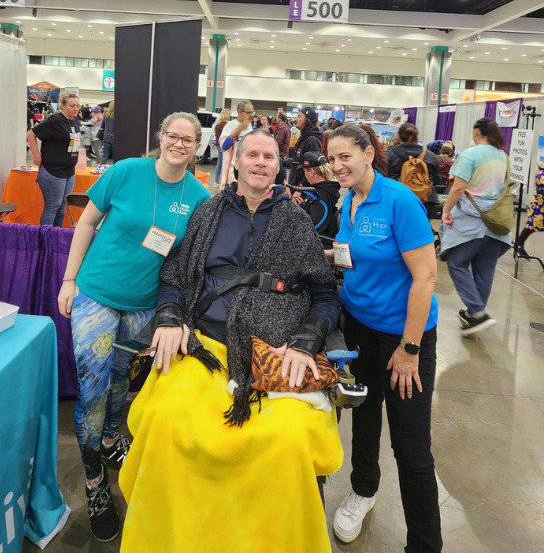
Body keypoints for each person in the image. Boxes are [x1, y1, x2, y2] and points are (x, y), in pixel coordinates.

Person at [119, 129, 343, 553]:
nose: (261, 162)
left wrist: (305, 342)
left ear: (279, 166)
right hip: (206, 346)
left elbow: (325, 293)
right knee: (167, 420)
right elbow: (174, 276)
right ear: (236, 162)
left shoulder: (296, 220)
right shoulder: (208, 213)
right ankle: (169, 537)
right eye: (253, 155)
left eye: (270, 156)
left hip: (272, 352)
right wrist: (169, 317)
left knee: (289, 439)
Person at [57, 112, 210, 542]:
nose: (179, 144)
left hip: (144, 307)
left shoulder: (198, 197)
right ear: (160, 138)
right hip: (97, 295)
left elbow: (190, 262)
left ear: (197, 146)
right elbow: (86, 221)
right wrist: (69, 280)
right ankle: (93, 483)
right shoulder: (126, 172)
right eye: (173, 136)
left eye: (188, 139)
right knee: (92, 392)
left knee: (124, 381)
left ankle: (109, 443)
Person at [327, 123, 442, 552]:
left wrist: (409, 350)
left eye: (345, 157)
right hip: (359, 329)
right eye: (332, 159)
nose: (337, 166)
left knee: (412, 448)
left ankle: (426, 544)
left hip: (404, 337)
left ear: (368, 154)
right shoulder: (349, 202)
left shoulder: (399, 202)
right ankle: (363, 489)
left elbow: (426, 278)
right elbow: (350, 254)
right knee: (365, 414)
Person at [440, 117, 511, 335]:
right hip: (497, 218)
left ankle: (478, 312)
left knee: (456, 262)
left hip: (473, 217)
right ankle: (473, 315)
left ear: (477, 132)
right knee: (485, 267)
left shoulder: (471, 154)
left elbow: (459, 187)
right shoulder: (503, 156)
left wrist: (446, 210)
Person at [27, 92, 82, 226]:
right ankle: (45, 239)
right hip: (53, 171)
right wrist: (37, 157)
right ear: (63, 105)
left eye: (78, 106)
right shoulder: (55, 121)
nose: (76, 109)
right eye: (72, 106)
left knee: (62, 206)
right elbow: (31, 134)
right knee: (52, 206)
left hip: (69, 171)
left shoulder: (74, 120)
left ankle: (56, 236)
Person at [386, 123, 442, 217]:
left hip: (396, 198)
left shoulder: (389, 154)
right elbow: (438, 180)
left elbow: (381, 177)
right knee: (421, 229)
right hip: (425, 200)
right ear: (417, 136)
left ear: (398, 136)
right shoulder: (430, 155)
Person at [292, 150, 341, 240]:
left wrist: (298, 210)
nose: (305, 176)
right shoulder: (325, 191)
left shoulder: (319, 198)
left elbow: (314, 230)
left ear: (311, 172)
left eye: (305, 172)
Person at [218, 99, 254, 188]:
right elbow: (224, 146)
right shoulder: (230, 126)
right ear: (240, 112)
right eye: (248, 113)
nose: (251, 116)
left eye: (252, 113)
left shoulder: (250, 126)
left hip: (246, 172)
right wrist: (238, 130)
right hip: (231, 174)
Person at [516, 161, 544, 257]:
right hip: (539, 206)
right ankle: (519, 244)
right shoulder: (541, 170)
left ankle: (519, 244)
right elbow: (541, 186)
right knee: (531, 226)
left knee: (532, 226)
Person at [290, 107, 322, 185]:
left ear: (308, 120)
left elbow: (313, 168)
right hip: (295, 185)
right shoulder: (303, 138)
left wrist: (300, 189)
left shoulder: (312, 140)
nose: (296, 119)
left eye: (299, 116)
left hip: (302, 191)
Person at [212, 108, 231, 188]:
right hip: (224, 146)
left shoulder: (218, 124)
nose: (230, 115)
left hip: (219, 145)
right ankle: (223, 184)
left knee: (219, 164)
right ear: (225, 115)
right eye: (229, 114)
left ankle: (216, 182)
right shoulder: (226, 124)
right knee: (225, 165)